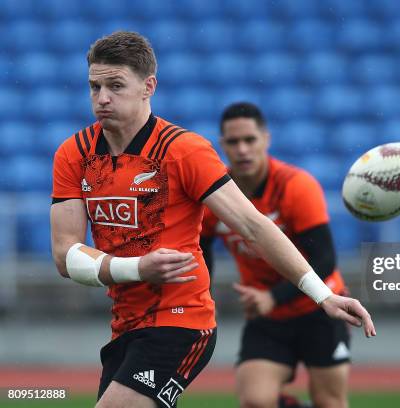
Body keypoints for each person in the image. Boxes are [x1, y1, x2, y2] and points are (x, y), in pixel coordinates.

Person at [50, 31, 375, 408]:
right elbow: (65, 255)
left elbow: (254, 225)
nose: (102, 98)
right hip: (126, 322)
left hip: (181, 320)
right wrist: (139, 268)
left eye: (115, 85)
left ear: (148, 87)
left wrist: (323, 295)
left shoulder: (184, 150)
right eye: (94, 86)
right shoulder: (73, 154)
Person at [200, 102, 351, 408]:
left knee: (330, 402)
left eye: (250, 140)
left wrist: (273, 296)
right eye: (233, 142)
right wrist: (202, 302)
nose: (242, 149)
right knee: (255, 401)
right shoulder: (217, 194)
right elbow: (201, 252)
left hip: (321, 309)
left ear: (266, 139)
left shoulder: (296, 186)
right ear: (222, 145)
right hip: (268, 317)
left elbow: (324, 260)